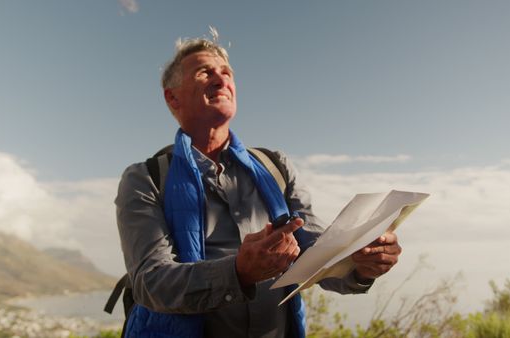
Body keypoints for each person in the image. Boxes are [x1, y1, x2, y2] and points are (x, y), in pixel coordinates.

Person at [115, 32, 401, 338]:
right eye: (204, 72)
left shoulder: (275, 166)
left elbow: (315, 253)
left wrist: (360, 266)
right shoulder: (145, 179)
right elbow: (151, 281)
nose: (220, 80)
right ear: (172, 97)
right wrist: (237, 272)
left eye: (226, 73)